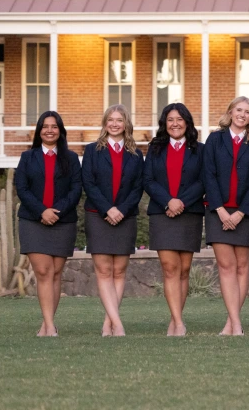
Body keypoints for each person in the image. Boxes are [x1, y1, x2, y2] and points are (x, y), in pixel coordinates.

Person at [203, 96, 249, 336]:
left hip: (245, 214)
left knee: (242, 266)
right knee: (226, 266)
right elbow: (208, 174)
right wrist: (220, 210)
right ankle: (235, 323)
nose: (242, 114)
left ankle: (232, 323)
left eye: (247, 112)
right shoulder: (215, 139)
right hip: (217, 212)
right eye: (238, 110)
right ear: (230, 112)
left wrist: (240, 212)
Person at [14, 111, 82, 337]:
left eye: (54, 126)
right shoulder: (27, 157)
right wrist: (42, 211)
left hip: (63, 222)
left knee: (55, 273)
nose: (49, 130)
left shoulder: (71, 158)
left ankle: (47, 325)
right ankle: (50, 325)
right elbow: (22, 189)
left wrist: (57, 212)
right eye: (45, 126)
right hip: (33, 221)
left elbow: (76, 189)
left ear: (60, 131)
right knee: (43, 271)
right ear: (39, 131)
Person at [81, 103, 144, 336]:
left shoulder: (136, 154)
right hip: (98, 215)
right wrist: (108, 209)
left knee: (119, 270)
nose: (115, 124)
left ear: (126, 124)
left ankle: (109, 322)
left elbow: (138, 187)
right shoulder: (91, 150)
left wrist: (121, 210)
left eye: (119, 120)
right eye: (111, 119)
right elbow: (88, 183)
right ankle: (118, 324)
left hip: (125, 217)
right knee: (103, 269)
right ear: (105, 123)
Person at [143, 102, 204, 337]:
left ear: (187, 123)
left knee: (184, 269)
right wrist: (169, 201)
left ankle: (175, 317)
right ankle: (178, 322)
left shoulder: (200, 149)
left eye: (179, 119)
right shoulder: (155, 148)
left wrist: (181, 202)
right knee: (170, 268)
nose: (175, 124)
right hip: (162, 213)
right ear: (164, 123)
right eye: (170, 120)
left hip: (189, 213)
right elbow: (147, 180)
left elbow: (203, 181)